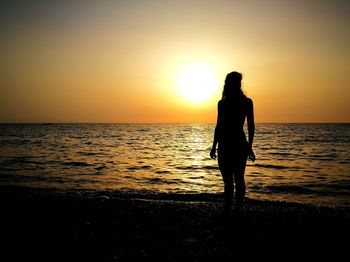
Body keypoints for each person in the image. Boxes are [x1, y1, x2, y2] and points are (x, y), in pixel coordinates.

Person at [210, 71, 255, 212]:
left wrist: (249, 146)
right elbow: (219, 125)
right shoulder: (224, 103)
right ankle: (233, 208)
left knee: (233, 180)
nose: (239, 84)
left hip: (232, 144)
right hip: (231, 144)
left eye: (239, 81)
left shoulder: (242, 102)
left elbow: (251, 126)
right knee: (233, 180)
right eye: (237, 81)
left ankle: (233, 208)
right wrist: (213, 146)